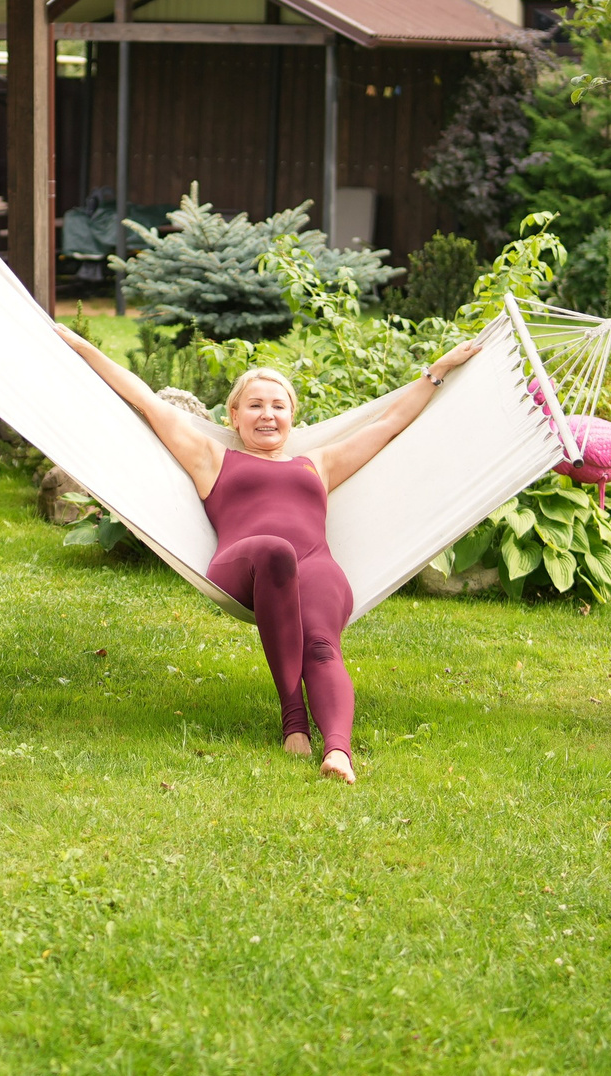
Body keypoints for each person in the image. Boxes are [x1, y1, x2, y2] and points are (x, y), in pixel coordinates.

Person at [53, 326, 489, 783]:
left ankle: (338, 752)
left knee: (321, 644)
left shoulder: (317, 463)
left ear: (292, 416)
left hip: (317, 564)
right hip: (244, 562)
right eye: (256, 406)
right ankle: (292, 717)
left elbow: (388, 423)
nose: (267, 415)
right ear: (234, 415)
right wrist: (83, 348)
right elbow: (146, 400)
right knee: (276, 551)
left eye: (278, 406)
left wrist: (437, 371)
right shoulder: (211, 456)